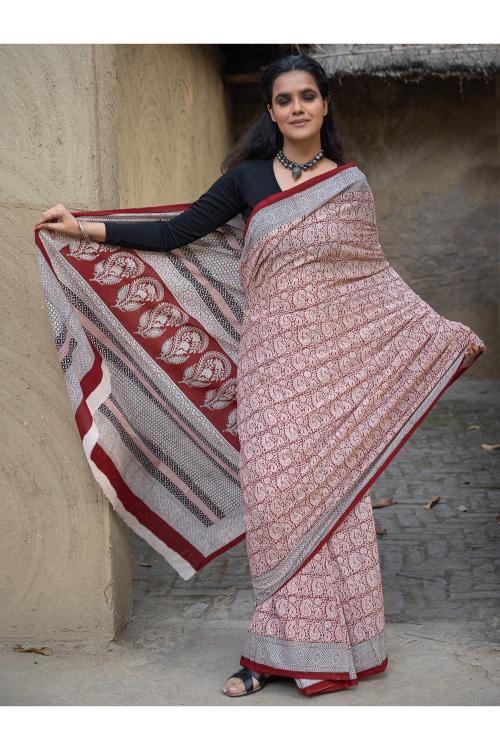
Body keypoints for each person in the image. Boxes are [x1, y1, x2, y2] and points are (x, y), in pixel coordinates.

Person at [34, 53, 486, 698]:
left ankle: (341, 646)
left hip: (331, 374)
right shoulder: (247, 179)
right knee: (276, 504)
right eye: (284, 99)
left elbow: (371, 279)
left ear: (325, 105)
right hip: (270, 369)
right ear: (270, 112)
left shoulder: (350, 187)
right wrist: (81, 226)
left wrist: (435, 336)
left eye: (308, 96)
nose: (297, 108)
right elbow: (175, 233)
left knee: (337, 495)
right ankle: (270, 652)